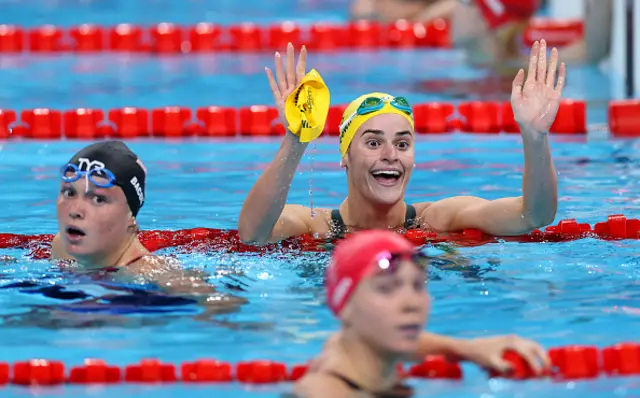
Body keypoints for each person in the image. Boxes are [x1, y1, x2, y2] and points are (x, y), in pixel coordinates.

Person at [238, 39, 565, 245]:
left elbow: (534, 215)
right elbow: (253, 234)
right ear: (345, 156)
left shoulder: (441, 219)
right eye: (373, 143)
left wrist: (535, 137)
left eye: (403, 144)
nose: (391, 155)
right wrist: (296, 140)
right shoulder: (316, 226)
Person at [291, 230, 550, 397]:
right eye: (387, 289)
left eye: (417, 286)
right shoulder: (323, 392)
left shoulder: (345, 352)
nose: (411, 303)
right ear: (343, 305)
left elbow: (386, 336)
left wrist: (467, 348)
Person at [49, 140, 247, 316]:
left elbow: (226, 307)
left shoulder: (156, 276)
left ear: (130, 216)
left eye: (99, 199)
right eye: (69, 192)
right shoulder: (62, 248)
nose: (75, 210)